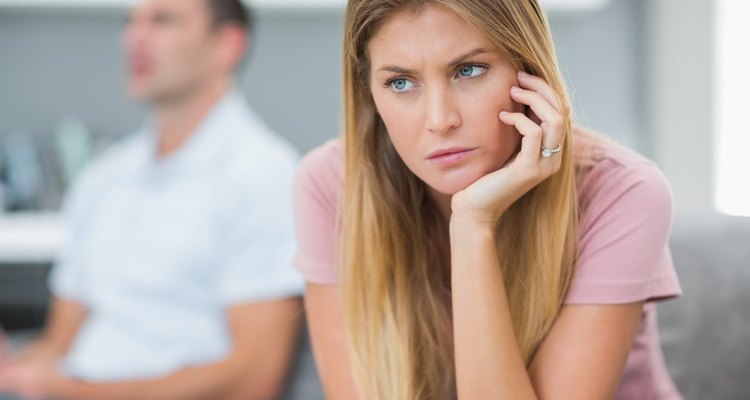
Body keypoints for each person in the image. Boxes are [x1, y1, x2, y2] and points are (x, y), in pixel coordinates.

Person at [293, 0, 683, 399]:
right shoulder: (332, 187)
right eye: (400, 82)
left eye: (469, 70)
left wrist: (472, 224)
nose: (440, 119)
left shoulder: (623, 192)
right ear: (370, 94)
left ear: (529, 71)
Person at [0, 0, 303, 399]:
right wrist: (17, 368)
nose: (133, 38)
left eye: (162, 21)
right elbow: (58, 346)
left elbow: (252, 382)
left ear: (226, 45)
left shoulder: (265, 178)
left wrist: (77, 391)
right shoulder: (104, 177)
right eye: (131, 22)